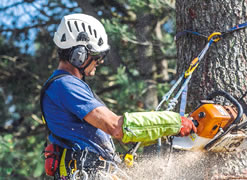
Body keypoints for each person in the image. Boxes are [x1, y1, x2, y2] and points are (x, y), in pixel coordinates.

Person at [41, 13, 197, 179]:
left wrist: (162, 133)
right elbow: (116, 126)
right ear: (79, 55)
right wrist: (174, 123)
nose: (99, 62)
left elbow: (107, 135)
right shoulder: (65, 86)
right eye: (96, 56)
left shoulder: (69, 86)